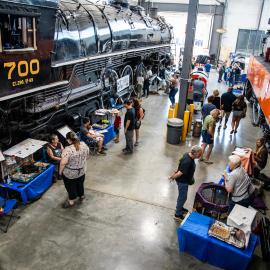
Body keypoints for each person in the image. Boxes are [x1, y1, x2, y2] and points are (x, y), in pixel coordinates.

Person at [169, 145, 202, 221]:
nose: (200, 155)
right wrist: (172, 177)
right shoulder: (188, 161)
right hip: (182, 182)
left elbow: (180, 166)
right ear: (195, 153)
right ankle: (177, 214)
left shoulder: (188, 155)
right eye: (199, 154)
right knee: (182, 197)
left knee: (183, 197)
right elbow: (180, 173)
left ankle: (180, 208)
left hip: (185, 180)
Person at [59, 132, 89, 208]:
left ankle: (71, 201)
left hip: (70, 173)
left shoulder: (67, 150)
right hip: (82, 170)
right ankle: (81, 196)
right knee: (80, 184)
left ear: (68, 140)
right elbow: (87, 156)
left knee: (70, 187)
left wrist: (60, 172)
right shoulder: (83, 144)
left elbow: (63, 163)